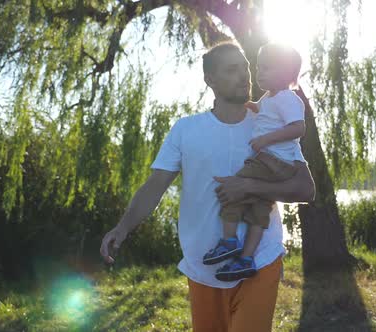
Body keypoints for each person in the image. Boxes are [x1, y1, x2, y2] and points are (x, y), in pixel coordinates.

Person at [100, 41, 315, 332]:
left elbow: (305, 189)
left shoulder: (268, 124)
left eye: (246, 68)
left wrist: (249, 187)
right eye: (232, 70)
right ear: (210, 80)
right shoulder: (186, 130)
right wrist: (122, 228)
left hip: (260, 261)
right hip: (203, 266)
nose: (245, 76)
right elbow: (155, 186)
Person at [203, 43, 307, 282]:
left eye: (267, 68)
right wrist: (250, 106)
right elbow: (263, 111)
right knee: (260, 210)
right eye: (258, 68)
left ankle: (228, 242)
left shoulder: (288, 99)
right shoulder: (270, 99)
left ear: (287, 74)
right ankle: (246, 259)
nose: (259, 73)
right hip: (276, 164)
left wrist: (265, 139)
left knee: (233, 190)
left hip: (273, 161)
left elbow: (298, 127)